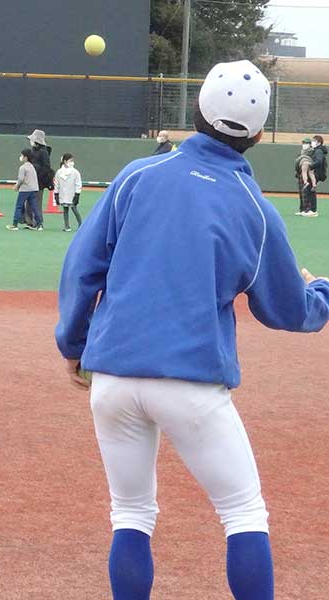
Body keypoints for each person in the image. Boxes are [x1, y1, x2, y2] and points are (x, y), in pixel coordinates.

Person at [55, 60, 329, 600]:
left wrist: (75, 345)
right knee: (244, 512)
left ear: (197, 111)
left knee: (130, 513)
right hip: (191, 381)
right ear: (255, 133)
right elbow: (285, 309)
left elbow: (82, 267)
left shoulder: (137, 175)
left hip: (113, 376)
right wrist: (321, 292)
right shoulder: (254, 206)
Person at [7, 149, 40, 231]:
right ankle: (39, 224)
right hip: (34, 189)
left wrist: (16, 186)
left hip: (25, 190)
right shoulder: (32, 166)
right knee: (35, 207)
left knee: (19, 206)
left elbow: (21, 179)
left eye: (22, 156)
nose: (21, 157)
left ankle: (15, 224)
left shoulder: (23, 167)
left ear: (25, 157)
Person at [54, 153, 83, 232]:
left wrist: (77, 194)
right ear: (65, 161)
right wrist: (56, 194)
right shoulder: (59, 172)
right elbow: (56, 184)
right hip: (63, 194)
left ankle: (81, 224)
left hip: (72, 194)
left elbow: (78, 184)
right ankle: (67, 226)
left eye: (72, 161)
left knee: (74, 209)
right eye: (70, 160)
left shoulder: (75, 172)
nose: (72, 162)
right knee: (65, 209)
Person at [295, 138, 318, 218]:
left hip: (308, 170)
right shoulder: (302, 152)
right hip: (300, 172)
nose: (304, 144)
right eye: (303, 143)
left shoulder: (312, 152)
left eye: (306, 143)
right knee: (302, 193)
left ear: (309, 144)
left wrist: (312, 182)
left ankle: (308, 210)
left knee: (306, 193)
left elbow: (310, 171)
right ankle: (303, 210)